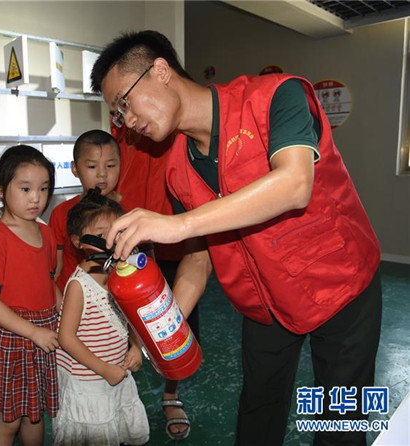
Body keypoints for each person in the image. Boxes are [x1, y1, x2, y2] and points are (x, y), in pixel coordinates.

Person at [92, 30, 381, 445]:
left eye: (124, 103)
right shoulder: (177, 167)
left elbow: (295, 184)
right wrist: (162, 331)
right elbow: (199, 258)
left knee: (341, 418)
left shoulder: (276, 97)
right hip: (265, 301)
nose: (128, 122)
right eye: (118, 115)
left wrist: (178, 224)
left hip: (341, 285)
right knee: (258, 409)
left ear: (160, 71)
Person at [112, 124, 202, 440]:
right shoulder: (122, 125)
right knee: (125, 319)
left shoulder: (181, 127)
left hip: (177, 237)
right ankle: (120, 391)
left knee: (178, 323)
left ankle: (170, 393)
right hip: (131, 239)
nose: (127, 111)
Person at [0, 145, 59, 446]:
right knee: (8, 422)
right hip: (12, 338)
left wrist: (68, 316)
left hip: (44, 334)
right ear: (0, 190)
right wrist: (33, 332)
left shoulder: (46, 234)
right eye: (25, 188)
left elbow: (49, 282)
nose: (36, 198)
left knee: (35, 415)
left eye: (43, 189)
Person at [53, 187, 150, 445]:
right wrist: (104, 369)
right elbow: (66, 338)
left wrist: (135, 346)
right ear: (77, 241)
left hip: (115, 374)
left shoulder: (121, 273)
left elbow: (130, 317)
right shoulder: (79, 286)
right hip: (90, 383)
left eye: (116, 233)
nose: (109, 242)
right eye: (99, 236)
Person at [49, 129, 122, 296]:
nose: (102, 174)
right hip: (73, 300)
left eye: (110, 166)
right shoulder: (61, 213)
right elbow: (53, 272)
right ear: (75, 168)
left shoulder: (133, 211)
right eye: (92, 166)